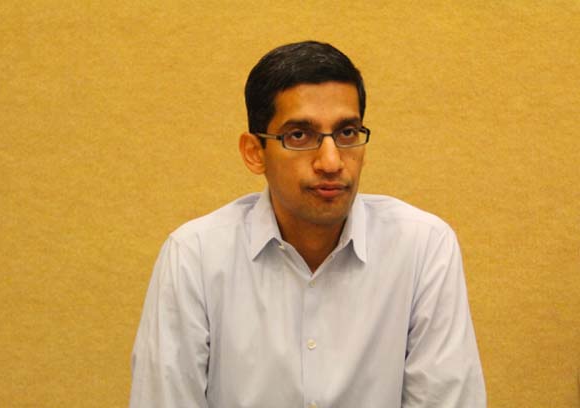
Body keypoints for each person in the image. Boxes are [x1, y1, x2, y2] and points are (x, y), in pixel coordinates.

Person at [129, 40, 486, 408]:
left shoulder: (423, 247)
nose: (331, 162)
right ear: (255, 153)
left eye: (346, 133)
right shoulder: (195, 257)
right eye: (299, 136)